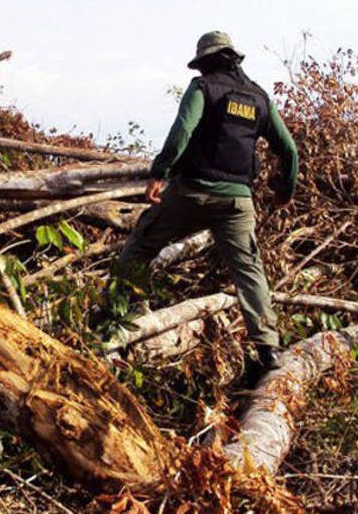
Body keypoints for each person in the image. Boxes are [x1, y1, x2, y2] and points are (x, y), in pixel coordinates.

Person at [112, 31, 298, 386]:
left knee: (143, 242)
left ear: (205, 62)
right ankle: (268, 347)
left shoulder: (202, 88)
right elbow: (288, 150)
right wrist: (284, 190)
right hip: (237, 201)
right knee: (248, 270)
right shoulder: (259, 98)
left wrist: (159, 173)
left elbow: (183, 131)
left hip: (192, 192)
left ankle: (119, 310)